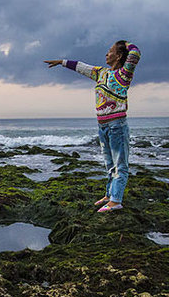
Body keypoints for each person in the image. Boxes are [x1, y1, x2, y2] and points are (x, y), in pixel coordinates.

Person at [44, 40, 142, 211]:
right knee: (109, 164)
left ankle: (116, 201)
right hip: (102, 126)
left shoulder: (124, 74)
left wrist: (125, 43)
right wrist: (61, 62)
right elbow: (82, 67)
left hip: (117, 125)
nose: (107, 54)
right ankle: (109, 194)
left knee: (120, 165)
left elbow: (135, 54)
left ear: (118, 56)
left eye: (110, 51)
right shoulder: (100, 73)